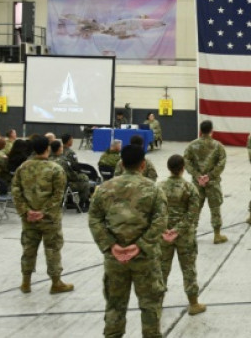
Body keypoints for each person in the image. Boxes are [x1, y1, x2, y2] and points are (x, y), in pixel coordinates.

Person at [89, 144, 168, 338]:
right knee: (150, 307)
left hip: (115, 259)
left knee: (115, 306)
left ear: (121, 163)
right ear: (143, 165)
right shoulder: (154, 190)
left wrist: (111, 245)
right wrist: (139, 246)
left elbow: (94, 219)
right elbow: (161, 221)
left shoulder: (104, 189)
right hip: (145, 260)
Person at [11, 136, 74, 295]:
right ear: (48, 148)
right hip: (49, 219)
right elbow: (58, 195)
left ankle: (26, 282)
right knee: (52, 249)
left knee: (28, 249)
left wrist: (27, 211)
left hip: (28, 219)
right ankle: (56, 282)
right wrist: (43, 212)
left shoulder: (22, 168)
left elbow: (16, 191)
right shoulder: (56, 169)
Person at [158, 155, 205, 316]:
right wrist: (177, 230)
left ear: (168, 168)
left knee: (161, 269)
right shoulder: (190, 188)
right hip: (185, 236)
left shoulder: (159, 187)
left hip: (163, 236)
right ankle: (193, 303)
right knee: (188, 269)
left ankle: (158, 303)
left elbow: (155, 213)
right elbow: (192, 214)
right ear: (183, 168)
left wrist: (166, 230)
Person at [184, 120, 228, 244]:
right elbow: (221, 163)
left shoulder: (192, 145)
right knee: (215, 208)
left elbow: (187, 161)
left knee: (195, 208)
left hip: (197, 183)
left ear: (200, 130)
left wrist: (198, 176)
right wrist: (209, 176)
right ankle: (217, 235)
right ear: (211, 131)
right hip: (213, 183)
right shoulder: (218, 146)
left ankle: (191, 234)